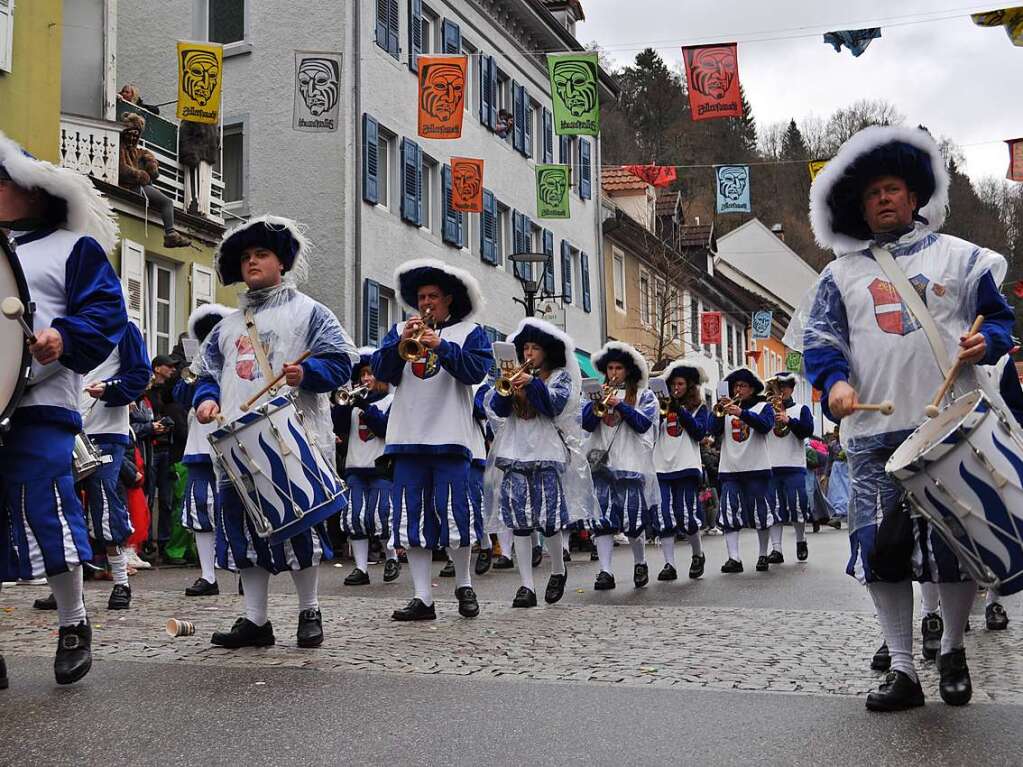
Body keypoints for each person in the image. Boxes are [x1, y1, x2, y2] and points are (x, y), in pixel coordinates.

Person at [792, 124, 1015, 711]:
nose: (884, 199)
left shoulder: (962, 257)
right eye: (872, 194)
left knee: (955, 545)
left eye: (893, 189)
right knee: (880, 551)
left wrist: (985, 343)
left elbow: (999, 322)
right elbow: (821, 344)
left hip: (949, 424)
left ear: (914, 197)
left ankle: (953, 654)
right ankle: (902, 668)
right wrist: (835, 383)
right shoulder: (837, 276)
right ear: (859, 208)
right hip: (872, 438)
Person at [192, 215, 357, 648]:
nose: (252, 262)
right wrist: (205, 400)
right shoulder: (224, 327)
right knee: (243, 529)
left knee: (298, 524)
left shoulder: (311, 313)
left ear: (281, 262)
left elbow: (341, 362)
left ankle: (309, 611)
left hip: (291, 439)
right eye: (245, 256)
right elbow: (208, 374)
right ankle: (256, 620)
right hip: (235, 443)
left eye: (261, 254)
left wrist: (308, 372)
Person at [0, 130, 128, 684]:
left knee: (48, 511)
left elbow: (106, 316)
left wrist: (62, 338)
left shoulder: (74, 248)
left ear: (32, 191)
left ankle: (74, 623)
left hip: (43, 401)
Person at [372, 258, 492, 621]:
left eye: (433, 297)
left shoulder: (471, 333)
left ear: (448, 300)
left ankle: (464, 584)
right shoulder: (398, 330)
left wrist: (440, 344)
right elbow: (380, 373)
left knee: (458, 515)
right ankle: (423, 597)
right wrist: (401, 345)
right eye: (422, 297)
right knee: (411, 518)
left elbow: (475, 371)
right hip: (407, 438)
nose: (426, 304)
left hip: (452, 437)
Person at [483, 318, 594, 607]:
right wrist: (508, 383)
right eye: (526, 348)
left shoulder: (560, 377)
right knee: (518, 520)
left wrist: (532, 383)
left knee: (548, 517)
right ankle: (526, 586)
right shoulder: (515, 373)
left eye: (535, 349)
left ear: (548, 352)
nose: (529, 354)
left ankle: (558, 569)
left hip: (546, 453)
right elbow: (496, 409)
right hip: (515, 452)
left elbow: (554, 407)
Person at [78, 320, 151, 608]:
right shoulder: (65, 329)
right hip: (68, 427)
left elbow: (139, 375)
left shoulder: (123, 329)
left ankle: (121, 581)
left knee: (104, 497)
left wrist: (108, 388)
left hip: (107, 431)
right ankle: (68, 583)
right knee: (64, 502)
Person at [582, 341, 660, 590]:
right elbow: (584, 424)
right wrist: (595, 405)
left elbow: (643, 424)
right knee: (602, 519)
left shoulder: (645, 395)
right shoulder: (596, 392)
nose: (613, 373)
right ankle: (605, 571)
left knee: (633, 518)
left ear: (629, 371)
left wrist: (621, 405)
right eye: (610, 368)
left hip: (631, 464)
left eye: (619, 368)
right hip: (601, 465)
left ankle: (640, 563)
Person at [175, 303, 232, 597]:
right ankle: (208, 576)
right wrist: (195, 374)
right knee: (201, 510)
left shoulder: (236, 361)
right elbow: (182, 396)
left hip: (231, 445)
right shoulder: (196, 365)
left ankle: (242, 572)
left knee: (237, 511)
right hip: (199, 446)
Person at [336, 347, 399, 586]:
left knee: (382, 514)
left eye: (371, 373)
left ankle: (391, 557)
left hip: (381, 466)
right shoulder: (353, 402)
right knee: (354, 517)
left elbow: (384, 429)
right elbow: (340, 428)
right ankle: (361, 568)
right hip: (355, 465)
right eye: (362, 374)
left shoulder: (392, 401)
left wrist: (364, 405)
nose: (365, 379)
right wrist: (343, 406)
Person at [711, 367, 776, 573]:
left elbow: (766, 426)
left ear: (752, 389)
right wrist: (719, 412)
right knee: (729, 512)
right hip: (730, 469)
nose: (738, 390)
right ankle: (734, 558)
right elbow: (711, 430)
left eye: (743, 386)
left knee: (760, 513)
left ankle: (763, 555)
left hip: (756, 467)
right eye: (736, 386)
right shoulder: (726, 407)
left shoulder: (763, 406)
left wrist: (741, 413)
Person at [652, 359, 710, 580]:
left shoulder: (699, 409)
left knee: (685, 515)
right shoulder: (660, 407)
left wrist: (679, 410)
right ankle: (669, 564)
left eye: (681, 384)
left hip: (685, 466)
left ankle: (698, 554)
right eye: (673, 384)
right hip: (661, 467)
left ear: (689, 387)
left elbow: (699, 433)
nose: (676, 388)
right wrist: (660, 412)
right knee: (663, 515)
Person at [117, 113, 190, 248]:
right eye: (130, 134)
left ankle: (171, 233)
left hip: (136, 185)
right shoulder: (119, 147)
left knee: (163, 199)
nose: (133, 137)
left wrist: (151, 162)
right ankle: (170, 234)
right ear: (124, 133)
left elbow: (153, 170)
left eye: (136, 135)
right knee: (167, 202)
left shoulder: (135, 151)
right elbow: (122, 170)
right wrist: (141, 175)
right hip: (129, 186)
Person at [765, 372, 815, 563]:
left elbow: (806, 431)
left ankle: (801, 540)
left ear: (791, 389)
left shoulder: (801, 409)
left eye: (783, 388)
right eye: (776, 388)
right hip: (771, 465)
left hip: (794, 465)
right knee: (774, 508)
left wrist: (789, 420)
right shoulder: (767, 409)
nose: (779, 392)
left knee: (798, 507)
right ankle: (776, 549)